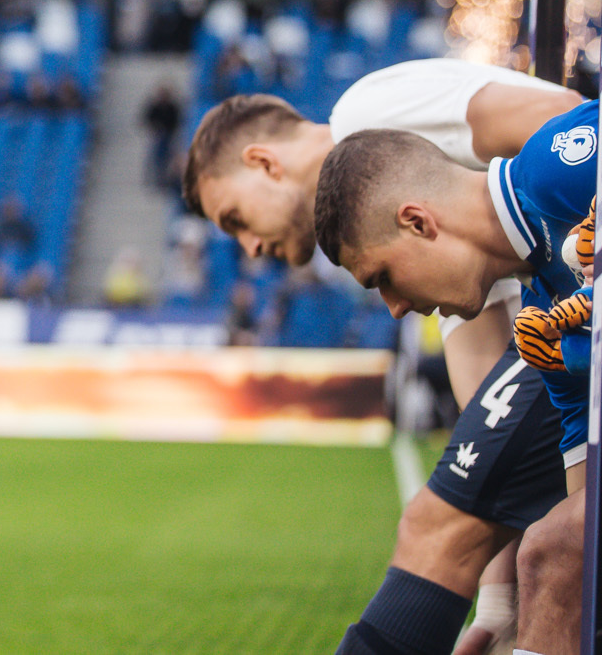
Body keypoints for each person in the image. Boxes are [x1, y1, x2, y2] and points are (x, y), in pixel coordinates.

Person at [182, 60, 580, 655]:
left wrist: (582, 263)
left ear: (263, 163)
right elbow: (486, 427)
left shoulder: (366, 118)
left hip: (573, 282)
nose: (250, 247)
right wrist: (499, 599)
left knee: (444, 527)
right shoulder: (424, 242)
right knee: (500, 534)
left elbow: (569, 121)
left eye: (236, 220)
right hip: (562, 317)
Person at [313, 107, 596, 655]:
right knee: (554, 550)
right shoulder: (542, 324)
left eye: (384, 279)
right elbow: (585, 520)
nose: (395, 310)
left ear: (420, 222)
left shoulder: (561, 162)